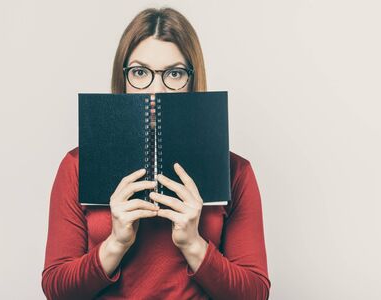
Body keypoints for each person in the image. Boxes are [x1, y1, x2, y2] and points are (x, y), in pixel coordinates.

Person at [41, 7, 271, 300]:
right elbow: (56, 290)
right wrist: (116, 242)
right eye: (140, 72)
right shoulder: (77, 166)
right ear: (122, 78)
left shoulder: (235, 172)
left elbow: (255, 294)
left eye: (174, 73)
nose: (156, 89)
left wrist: (193, 244)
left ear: (192, 78)